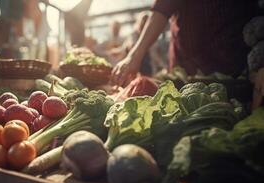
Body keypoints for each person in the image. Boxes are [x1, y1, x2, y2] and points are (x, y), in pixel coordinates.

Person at [111, 0, 263, 109]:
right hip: (183, 69)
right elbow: (161, 9)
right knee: (179, 115)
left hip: (235, 70)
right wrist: (134, 55)